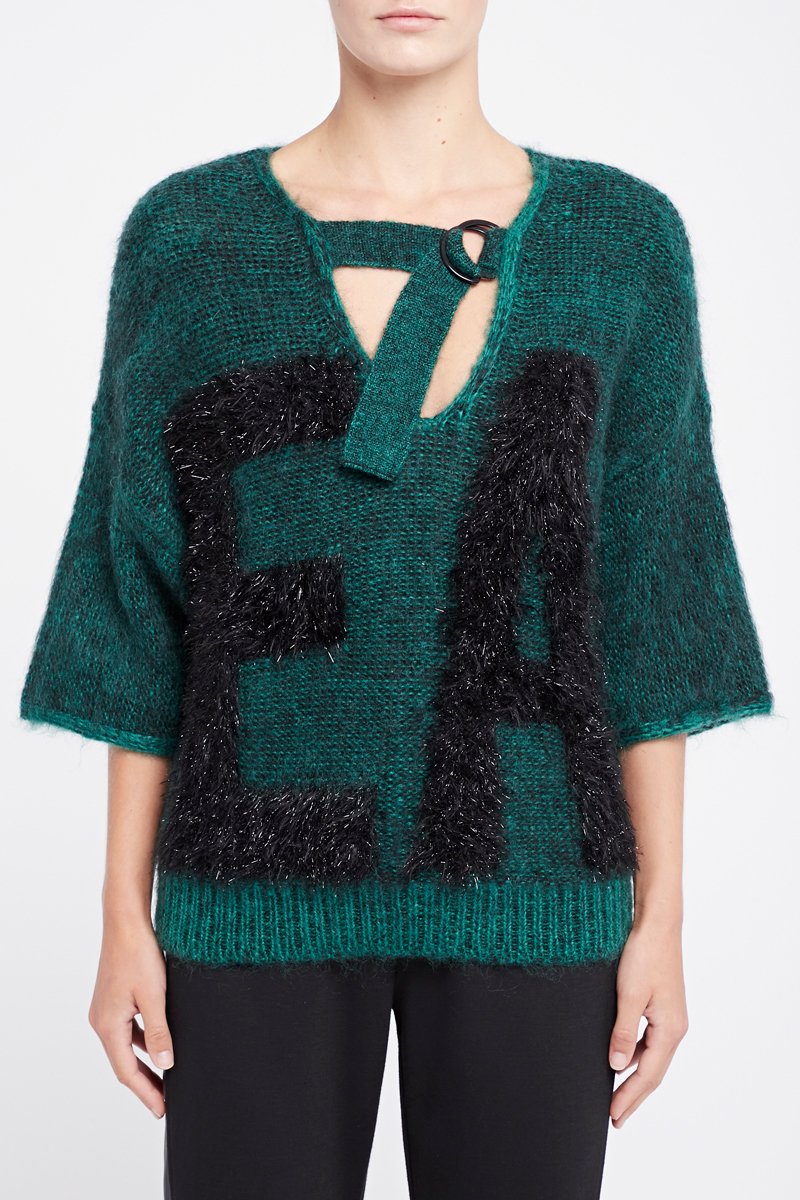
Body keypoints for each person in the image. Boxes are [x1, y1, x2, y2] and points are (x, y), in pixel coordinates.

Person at [18, 2, 774, 1198]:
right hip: (245, 893)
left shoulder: (619, 242)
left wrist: (662, 920)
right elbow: (136, 598)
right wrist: (121, 915)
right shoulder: (188, 240)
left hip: (538, 887)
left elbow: (651, 601)